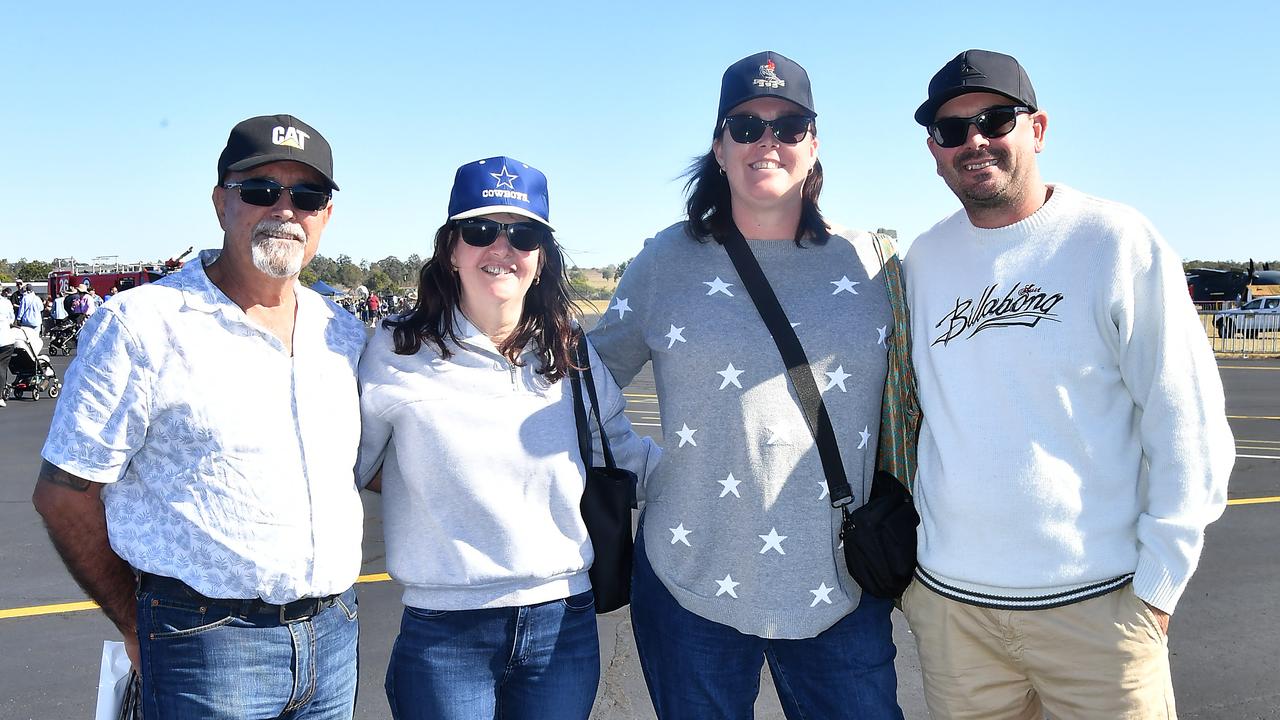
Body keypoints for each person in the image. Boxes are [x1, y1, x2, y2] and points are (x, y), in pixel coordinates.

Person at [900, 49, 1236, 719]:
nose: (975, 142)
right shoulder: (923, 259)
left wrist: (1158, 589)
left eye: (996, 120)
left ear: (1038, 129)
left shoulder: (1113, 241)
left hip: (1100, 615)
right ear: (934, 151)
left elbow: (1187, 422)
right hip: (954, 619)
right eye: (951, 129)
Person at [590, 51, 908, 719]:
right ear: (720, 145)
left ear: (813, 145)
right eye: (747, 126)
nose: (769, 142)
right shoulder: (663, 261)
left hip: (840, 582)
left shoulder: (875, 263)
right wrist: (647, 467)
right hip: (689, 583)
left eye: (790, 127)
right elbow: (586, 385)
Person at [32, 114, 367, 719]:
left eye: (308, 195)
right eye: (261, 190)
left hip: (334, 638)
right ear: (220, 203)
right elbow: (64, 494)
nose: (285, 209)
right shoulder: (142, 326)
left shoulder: (342, 333)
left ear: (326, 215)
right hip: (204, 645)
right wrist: (136, 623)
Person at [357, 156, 660, 720]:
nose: (502, 248)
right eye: (480, 231)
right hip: (446, 629)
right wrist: (421, 488)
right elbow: (348, 462)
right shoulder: (393, 351)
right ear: (452, 250)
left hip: (562, 622)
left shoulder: (571, 352)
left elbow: (623, 451)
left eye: (522, 234)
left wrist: (727, 478)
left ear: (540, 258)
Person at [0, 291, 14, 407]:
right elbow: (11, 319)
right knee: (2, 367)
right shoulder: (6, 303)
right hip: (5, 340)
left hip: (4, 340)